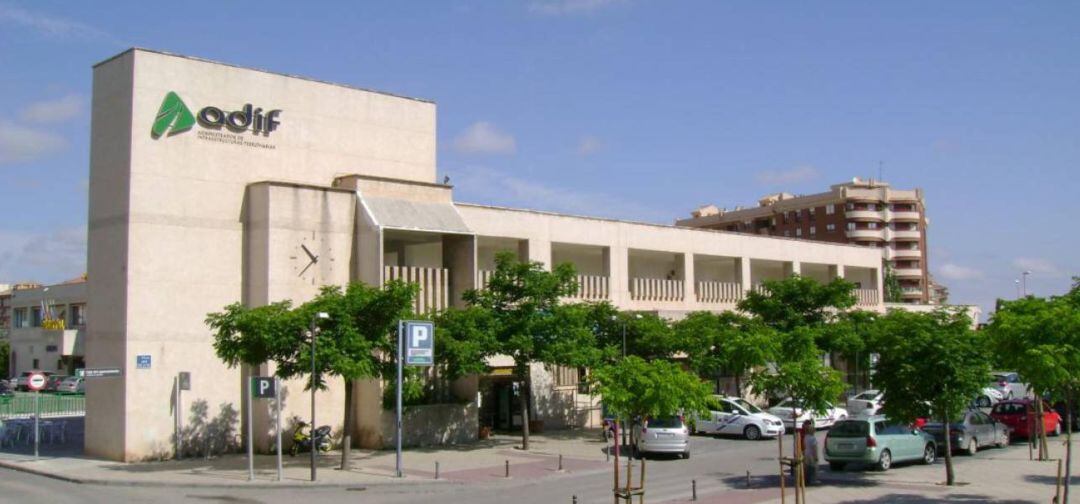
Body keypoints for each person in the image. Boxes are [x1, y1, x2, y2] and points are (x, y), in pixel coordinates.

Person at [802, 420, 819, 485]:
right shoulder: (813, 438)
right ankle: (814, 480)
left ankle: (807, 480)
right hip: (811, 454)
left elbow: (804, 445)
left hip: (806, 453)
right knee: (814, 467)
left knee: (807, 467)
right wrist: (816, 456)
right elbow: (814, 448)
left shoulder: (806, 437)